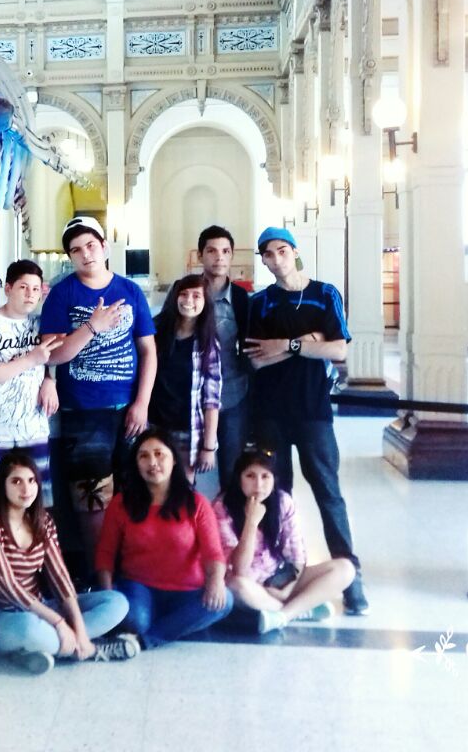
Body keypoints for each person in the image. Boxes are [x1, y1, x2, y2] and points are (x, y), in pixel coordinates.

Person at [244, 226, 368, 615]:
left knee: (328, 492)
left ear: (295, 252)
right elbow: (256, 359)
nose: (276, 259)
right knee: (277, 494)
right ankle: (280, 569)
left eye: (282, 250)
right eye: (268, 254)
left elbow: (339, 350)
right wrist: (309, 342)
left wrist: (288, 345)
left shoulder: (325, 294)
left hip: (313, 412)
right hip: (270, 413)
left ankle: (351, 577)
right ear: (264, 260)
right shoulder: (260, 303)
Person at [39, 216, 157, 577]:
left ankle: (136, 575)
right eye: (76, 250)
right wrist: (93, 326)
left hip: (128, 408)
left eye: (91, 245)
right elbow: (52, 355)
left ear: (104, 246)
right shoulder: (62, 294)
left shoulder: (130, 291)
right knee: (92, 501)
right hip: (83, 411)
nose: (85, 254)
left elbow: (148, 351)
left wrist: (142, 403)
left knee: (138, 492)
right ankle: (100, 578)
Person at [0, 448, 138, 674]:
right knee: (31, 629)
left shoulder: (43, 521)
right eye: (16, 481)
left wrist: (78, 628)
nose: (26, 489)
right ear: (2, 485)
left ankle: (58, 646)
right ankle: (89, 649)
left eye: (31, 480)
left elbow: (59, 576)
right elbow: (8, 586)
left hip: (40, 607)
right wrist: (58, 623)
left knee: (117, 602)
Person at [94, 432, 233, 649]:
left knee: (225, 601)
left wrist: (216, 582)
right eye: (144, 456)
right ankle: (170, 627)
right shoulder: (121, 503)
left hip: (188, 593)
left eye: (159, 454)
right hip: (139, 588)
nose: (152, 462)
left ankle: (144, 640)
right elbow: (105, 552)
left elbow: (213, 553)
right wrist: (108, 595)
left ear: (174, 459)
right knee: (135, 620)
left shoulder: (196, 503)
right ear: (136, 464)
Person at [214, 447, 355, 634]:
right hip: (251, 585)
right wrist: (251, 522)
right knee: (236, 586)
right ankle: (300, 610)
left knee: (345, 568)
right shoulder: (222, 507)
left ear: (274, 479)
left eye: (265, 476)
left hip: (281, 578)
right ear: (239, 478)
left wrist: (288, 588)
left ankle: (283, 615)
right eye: (250, 476)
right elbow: (239, 569)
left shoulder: (282, 501)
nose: (258, 484)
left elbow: (296, 555)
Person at [0, 259, 61, 502]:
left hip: (34, 428)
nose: (30, 294)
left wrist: (49, 380)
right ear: (8, 289)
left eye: (35, 289)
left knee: (38, 503)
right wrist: (30, 359)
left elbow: (52, 359)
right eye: (23, 287)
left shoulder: (41, 323)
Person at [148, 274, 222, 483]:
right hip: (153, 426)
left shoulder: (208, 344)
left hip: (187, 431)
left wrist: (209, 447)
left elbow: (212, 400)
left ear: (205, 302)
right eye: (184, 294)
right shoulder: (155, 332)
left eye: (196, 296)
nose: (189, 300)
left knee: (182, 489)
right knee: (152, 486)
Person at [196, 225, 253, 492]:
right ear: (200, 255)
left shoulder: (241, 299)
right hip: (193, 397)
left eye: (225, 251)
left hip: (232, 394)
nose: (219, 257)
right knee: (189, 470)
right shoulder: (186, 292)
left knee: (232, 468)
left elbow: (250, 346)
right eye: (212, 251)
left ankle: (230, 517)